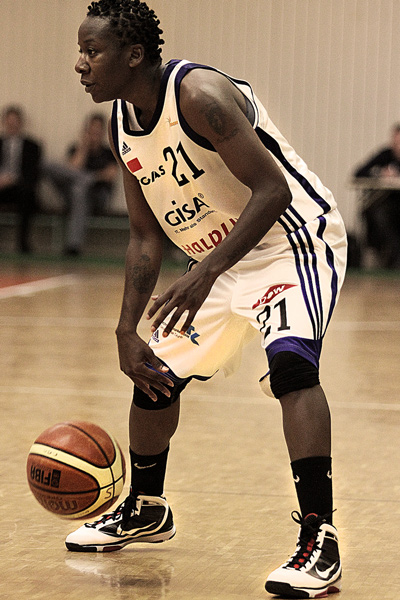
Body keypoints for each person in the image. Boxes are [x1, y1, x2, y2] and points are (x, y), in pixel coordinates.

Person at [66, 2, 347, 598]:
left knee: (293, 368)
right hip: (220, 259)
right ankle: (146, 507)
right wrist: (125, 330)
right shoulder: (121, 123)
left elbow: (272, 191)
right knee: (153, 377)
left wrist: (205, 272)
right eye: (81, 52)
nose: (80, 64)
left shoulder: (200, 96)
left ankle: (319, 538)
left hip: (290, 243)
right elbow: (144, 237)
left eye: (92, 52)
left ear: (133, 55)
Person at [43, 113, 118, 256]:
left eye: (98, 129)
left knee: (79, 188)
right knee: (47, 166)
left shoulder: (108, 152)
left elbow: (110, 175)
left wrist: (92, 179)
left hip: (98, 196)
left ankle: (73, 245)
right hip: (73, 196)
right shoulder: (76, 149)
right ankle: (85, 179)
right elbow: (72, 170)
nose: (94, 133)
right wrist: (84, 147)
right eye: (92, 129)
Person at [354, 123, 400, 269]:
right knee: (372, 213)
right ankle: (387, 256)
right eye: (395, 142)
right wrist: (380, 173)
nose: (397, 146)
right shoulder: (386, 155)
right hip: (387, 204)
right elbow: (359, 172)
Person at [0, 105, 42, 253]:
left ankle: (23, 243)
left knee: (27, 195)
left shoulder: (32, 146)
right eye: (9, 121)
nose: (12, 124)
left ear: (20, 122)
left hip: (21, 187)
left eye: (15, 121)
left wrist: (12, 179)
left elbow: (33, 173)